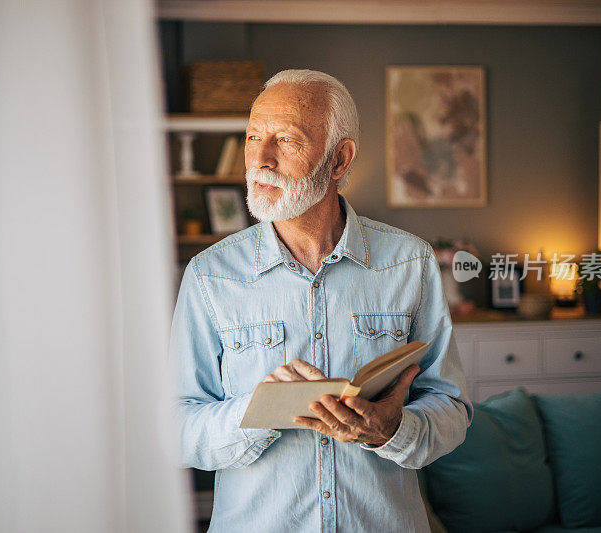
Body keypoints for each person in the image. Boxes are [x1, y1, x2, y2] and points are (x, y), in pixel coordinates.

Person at [171, 69, 472, 532]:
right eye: (253, 136)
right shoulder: (210, 275)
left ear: (339, 159)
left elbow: (451, 409)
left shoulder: (409, 263)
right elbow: (179, 429)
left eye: (286, 140)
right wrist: (261, 411)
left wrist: (391, 431)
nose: (260, 159)